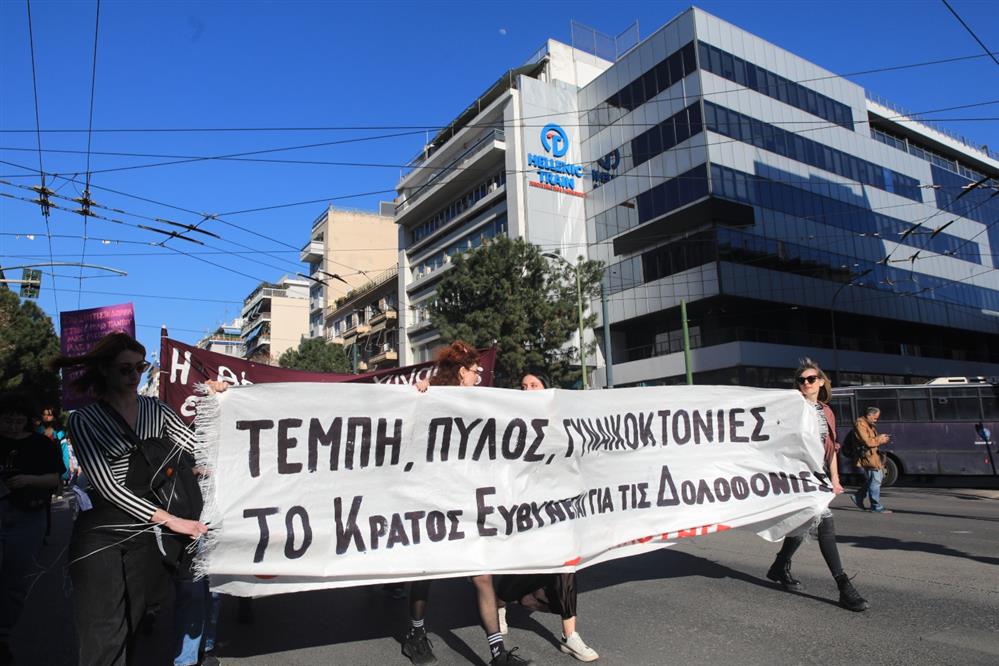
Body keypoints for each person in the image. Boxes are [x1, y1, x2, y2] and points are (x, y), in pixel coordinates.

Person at [54, 332, 210, 666]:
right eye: (125, 369)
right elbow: (108, 487)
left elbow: (197, 449)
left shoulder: (157, 410)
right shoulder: (84, 419)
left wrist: (216, 403)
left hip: (146, 535)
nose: (134, 376)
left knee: (134, 623)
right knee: (104, 631)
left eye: (140, 367)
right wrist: (172, 520)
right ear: (104, 370)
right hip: (104, 532)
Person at [404, 341, 534, 666]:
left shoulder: (479, 402)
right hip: (434, 500)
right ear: (462, 372)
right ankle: (415, 634)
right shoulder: (431, 397)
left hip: (467, 501)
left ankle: (498, 654)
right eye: (476, 371)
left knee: (482, 575)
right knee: (425, 571)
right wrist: (420, 390)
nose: (479, 376)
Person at [491, 372, 598, 662]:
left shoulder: (560, 420)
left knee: (565, 564)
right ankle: (498, 600)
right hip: (522, 509)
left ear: (546, 389)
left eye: (534, 385)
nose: (527, 389)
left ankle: (569, 635)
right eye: (523, 386)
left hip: (555, 507)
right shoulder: (509, 421)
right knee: (526, 566)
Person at [764, 359, 869, 612]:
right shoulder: (792, 409)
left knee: (802, 523)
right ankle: (843, 586)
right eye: (801, 380)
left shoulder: (826, 411)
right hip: (798, 476)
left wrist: (835, 478)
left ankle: (779, 566)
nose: (806, 383)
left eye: (811, 379)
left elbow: (831, 449)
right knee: (824, 522)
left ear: (821, 382)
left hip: (819, 476)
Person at [0, 392, 65, 665]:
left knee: (14, 582)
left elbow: (55, 479)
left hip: (27, 517)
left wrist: (27, 480)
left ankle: (3, 636)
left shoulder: (41, 444)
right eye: (7, 419)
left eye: (18, 420)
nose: (13, 425)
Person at [850, 407, 892, 514]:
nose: (876, 420)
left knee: (875, 479)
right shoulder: (860, 424)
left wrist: (880, 438)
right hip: (868, 456)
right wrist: (880, 439)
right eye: (875, 417)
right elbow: (867, 442)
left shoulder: (868, 424)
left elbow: (871, 439)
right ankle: (875, 506)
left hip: (873, 455)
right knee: (876, 480)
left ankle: (859, 496)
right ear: (869, 415)